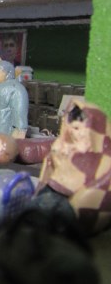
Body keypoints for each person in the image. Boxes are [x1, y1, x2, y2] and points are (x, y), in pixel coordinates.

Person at [32, 100, 111, 236]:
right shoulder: (63, 144)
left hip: (73, 204)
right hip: (54, 190)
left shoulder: (102, 159)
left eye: (77, 129)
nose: (72, 132)